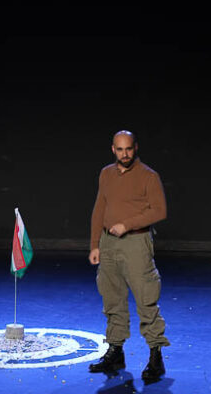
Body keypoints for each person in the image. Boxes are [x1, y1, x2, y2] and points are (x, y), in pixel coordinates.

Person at [87, 130, 169, 383]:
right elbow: (99, 208)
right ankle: (115, 351)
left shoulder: (148, 176)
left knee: (146, 298)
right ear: (113, 149)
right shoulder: (106, 173)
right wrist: (95, 245)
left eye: (129, 149)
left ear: (136, 148)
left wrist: (127, 224)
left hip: (136, 243)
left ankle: (155, 356)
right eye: (120, 149)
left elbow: (159, 211)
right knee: (112, 298)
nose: (125, 154)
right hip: (108, 243)